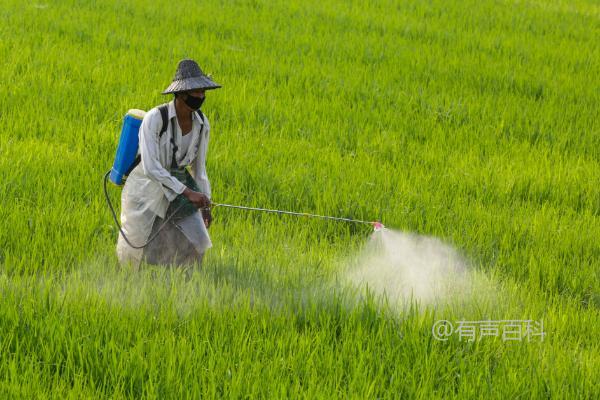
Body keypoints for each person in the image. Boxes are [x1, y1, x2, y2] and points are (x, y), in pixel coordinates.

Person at [116, 59, 220, 274]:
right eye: (197, 91)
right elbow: (151, 167)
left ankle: (191, 284)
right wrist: (188, 193)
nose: (201, 96)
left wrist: (205, 202)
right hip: (145, 186)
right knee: (136, 244)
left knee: (198, 240)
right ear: (182, 94)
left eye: (203, 91)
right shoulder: (155, 118)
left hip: (180, 182)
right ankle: (129, 281)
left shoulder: (202, 123)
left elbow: (199, 170)